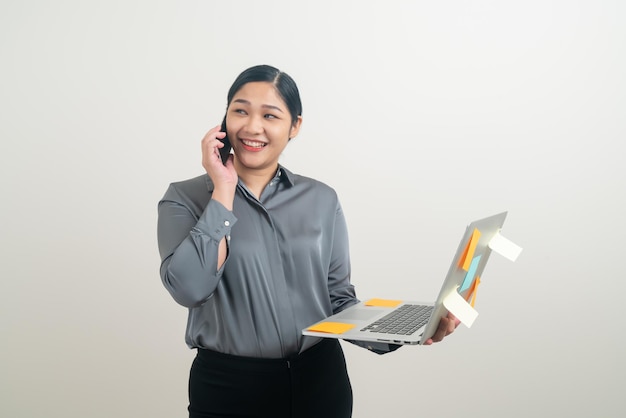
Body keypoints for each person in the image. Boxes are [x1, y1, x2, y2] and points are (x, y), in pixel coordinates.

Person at [157, 64, 459, 418]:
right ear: (224, 120)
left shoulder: (321, 199)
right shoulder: (184, 199)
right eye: (240, 110)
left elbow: (338, 301)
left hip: (320, 383)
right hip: (230, 389)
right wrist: (223, 190)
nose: (252, 127)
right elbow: (190, 288)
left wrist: (412, 327)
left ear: (294, 126)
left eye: (270, 115)